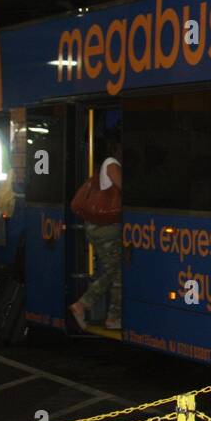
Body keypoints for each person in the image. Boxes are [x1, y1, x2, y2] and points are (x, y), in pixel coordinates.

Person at [70, 137, 123, 330]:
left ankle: (109, 316)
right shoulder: (112, 163)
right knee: (116, 270)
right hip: (105, 227)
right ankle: (85, 305)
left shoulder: (109, 163)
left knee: (115, 271)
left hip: (103, 227)